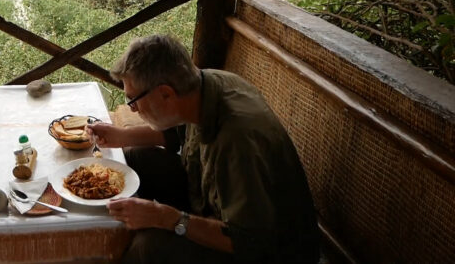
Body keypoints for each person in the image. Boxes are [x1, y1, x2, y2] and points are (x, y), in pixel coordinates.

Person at [87, 34, 319, 264]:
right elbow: (176, 134)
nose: (134, 110)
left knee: (150, 246)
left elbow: (250, 241)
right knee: (136, 159)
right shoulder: (201, 87)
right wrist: (123, 136)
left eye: (133, 101)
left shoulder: (238, 140)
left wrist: (167, 218)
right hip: (209, 202)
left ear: (166, 93)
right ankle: (104, 235)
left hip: (266, 251)